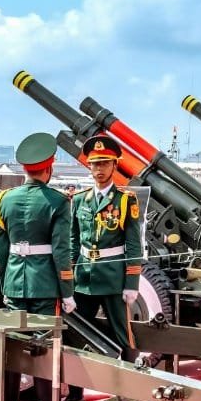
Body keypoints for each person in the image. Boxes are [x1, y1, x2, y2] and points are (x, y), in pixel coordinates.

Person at [0, 133, 85, 401]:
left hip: (14, 284)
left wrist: (7, 280)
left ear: (24, 169)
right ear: (49, 168)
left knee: (11, 349)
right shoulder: (58, 202)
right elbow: (61, 251)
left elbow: (1, 246)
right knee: (44, 350)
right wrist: (67, 291)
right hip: (45, 285)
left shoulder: (5, 199)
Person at [70, 134, 143, 360]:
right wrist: (68, 279)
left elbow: (133, 245)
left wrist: (132, 284)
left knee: (123, 336)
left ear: (114, 165)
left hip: (113, 279)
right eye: (94, 164)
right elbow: (73, 241)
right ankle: (75, 395)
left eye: (104, 163)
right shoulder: (79, 199)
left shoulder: (125, 199)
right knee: (75, 334)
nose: (99, 169)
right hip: (83, 279)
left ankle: (130, 388)